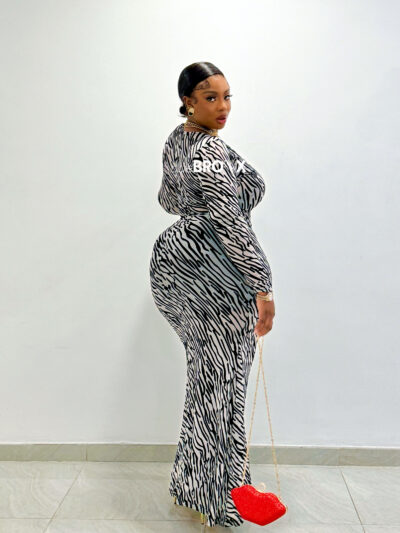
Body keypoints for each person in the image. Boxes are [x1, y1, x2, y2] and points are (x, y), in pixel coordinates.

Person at [149, 61, 275, 528]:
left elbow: (168, 200)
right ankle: (222, 499)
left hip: (175, 263)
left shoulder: (179, 140)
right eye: (209, 97)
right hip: (215, 271)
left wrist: (198, 211)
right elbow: (230, 223)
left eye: (226, 97)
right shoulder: (209, 152)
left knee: (209, 381)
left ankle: (196, 489)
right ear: (188, 101)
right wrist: (263, 286)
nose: (222, 107)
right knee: (223, 386)